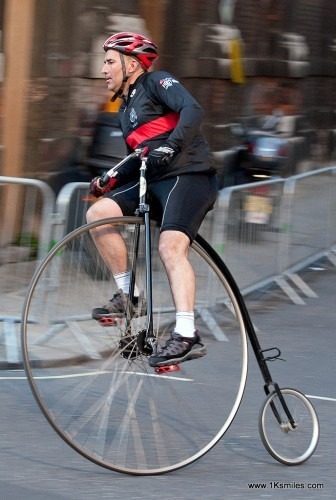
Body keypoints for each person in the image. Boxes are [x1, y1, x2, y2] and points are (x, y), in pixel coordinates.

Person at [87, 32, 218, 368]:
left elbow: (192, 109)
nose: (103, 69)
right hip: (153, 179)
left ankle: (187, 333)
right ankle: (129, 296)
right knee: (98, 213)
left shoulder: (156, 81)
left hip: (187, 175)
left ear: (131, 64)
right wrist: (110, 179)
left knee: (170, 247)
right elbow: (138, 159)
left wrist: (172, 145)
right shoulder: (125, 109)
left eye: (109, 61)